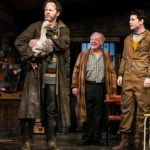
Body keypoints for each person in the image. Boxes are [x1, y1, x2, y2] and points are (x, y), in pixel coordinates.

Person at [15, 0, 70, 150]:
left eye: (51, 10)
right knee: (29, 108)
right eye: (46, 10)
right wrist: (31, 56)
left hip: (54, 77)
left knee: (51, 110)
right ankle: (26, 142)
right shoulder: (35, 26)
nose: (47, 12)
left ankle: (51, 142)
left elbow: (64, 43)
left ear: (57, 13)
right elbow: (19, 41)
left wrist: (41, 41)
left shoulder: (63, 29)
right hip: (35, 73)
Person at [112, 9, 150, 150]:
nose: (130, 22)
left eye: (133, 19)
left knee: (142, 110)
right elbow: (124, 58)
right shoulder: (128, 39)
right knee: (126, 110)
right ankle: (125, 142)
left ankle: (141, 142)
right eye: (130, 19)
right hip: (128, 78)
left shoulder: (149, 38)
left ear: (141, 21)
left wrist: (149, 77)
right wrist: (120, 74)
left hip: (142, 80)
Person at [71, 32, 117, 146]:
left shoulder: (106, 55)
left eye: (96, 39)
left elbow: (112, 72)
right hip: (86, 86)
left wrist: (113, 88)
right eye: (92, 39)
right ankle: (87, 138)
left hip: (101, 87)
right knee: (87, 113)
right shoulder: (83, 54)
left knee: (98, 114)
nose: (93, 41)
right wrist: (75, 86)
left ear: (101, 42)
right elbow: (76, 70)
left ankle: (97, 138)